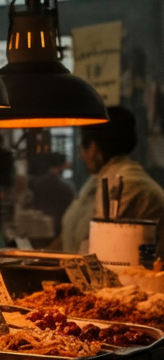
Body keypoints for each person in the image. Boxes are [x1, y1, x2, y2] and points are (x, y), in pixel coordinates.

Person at [61, 106, 164, 253]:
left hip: (142, 273)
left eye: (82, 149)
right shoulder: (108, 178)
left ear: (93, 149)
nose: (81, 156)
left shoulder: (122, 183)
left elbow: (104, 247)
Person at [29, 152, 74, 239]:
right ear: (61, 166)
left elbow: (33, 204)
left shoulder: (37, 183)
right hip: (59, 228)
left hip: (39, 227)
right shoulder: (66, 187)